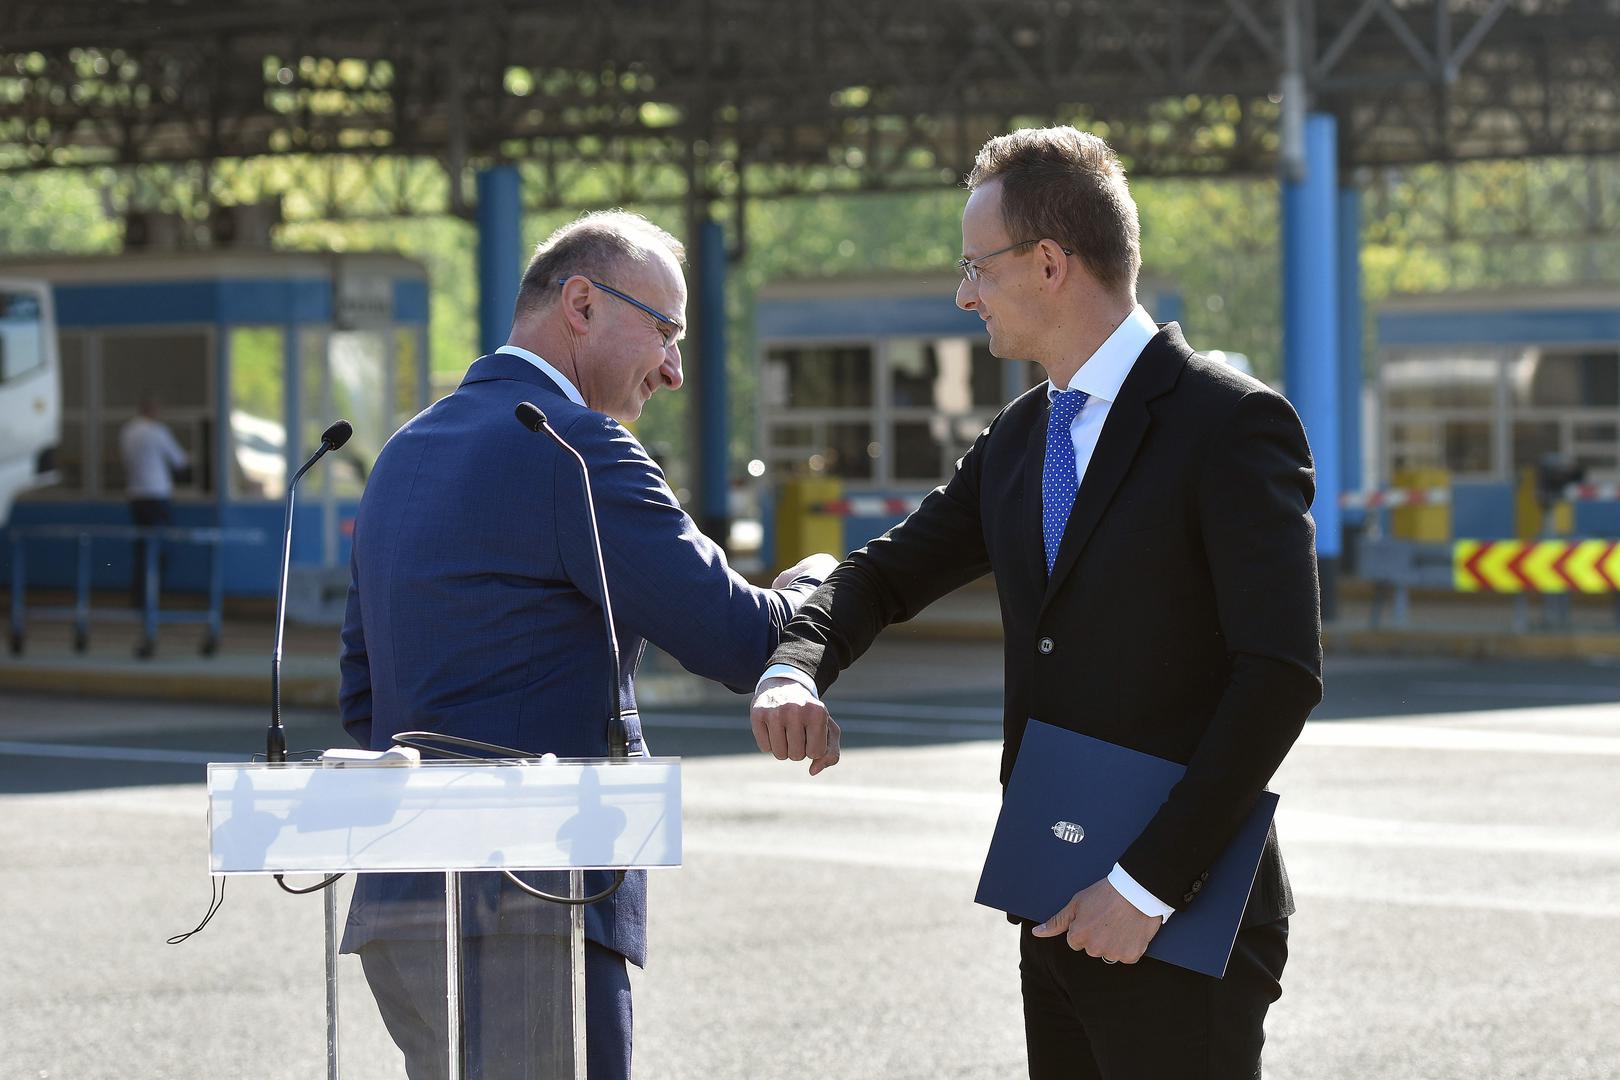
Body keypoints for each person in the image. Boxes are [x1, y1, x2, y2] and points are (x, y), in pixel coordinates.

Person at [749, 127, 1322, 1079]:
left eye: (976, 267)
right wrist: (794, 666)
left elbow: (1279, 676)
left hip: (1180, 917)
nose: (965, 294)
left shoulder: (1229, 423)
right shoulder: (1021, 439)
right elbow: (887, 573)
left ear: (1050, 263)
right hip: (1053, 899)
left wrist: (1145, 886)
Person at [339, 209, 837, 1080]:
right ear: (581, 304)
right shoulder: (575, 448)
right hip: (533, 905)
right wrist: (822, 585)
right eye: (666, 332)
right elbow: (738, 637)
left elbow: (361, 696)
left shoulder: (405, 451)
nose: (674, 369)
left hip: (402, 907)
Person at [119, 395, 189, 607]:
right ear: (153, 411)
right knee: (161, 547)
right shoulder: (157, 432)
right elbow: (180, 461)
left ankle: (139, 597)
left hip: (135, 497)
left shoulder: (128, 432)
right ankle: (153, 595)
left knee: (142, 548)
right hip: (157, 496)